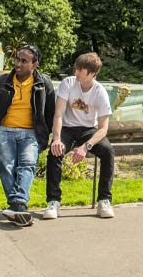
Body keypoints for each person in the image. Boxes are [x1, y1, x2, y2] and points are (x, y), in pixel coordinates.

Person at [0, 44, 57, 226]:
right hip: (4, 130)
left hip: (30, 133)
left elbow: (51, 113)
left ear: (35, 64)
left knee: (27, 164)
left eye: (24, 61)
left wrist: (44, 135)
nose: (18, 64)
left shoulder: (44, 83)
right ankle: (19, 205)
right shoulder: (1, 81)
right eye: (17, 59)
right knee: (8, 164)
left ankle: (17, 205)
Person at [43, 52, 116, 219]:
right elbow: (58, 114)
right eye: (76, 69)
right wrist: (56, 139)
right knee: (55, 152)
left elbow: (103, 128)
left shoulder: (100, 92)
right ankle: (53, 202)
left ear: (91, 74)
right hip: (67, 128)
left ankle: (104, 200)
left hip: (88, 130)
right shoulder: (68, 83)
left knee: (108, 152)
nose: (75, 73)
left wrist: (85, 147)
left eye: (80, 71)